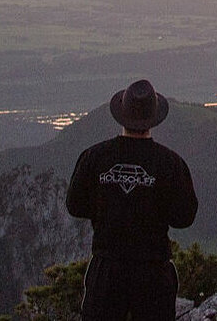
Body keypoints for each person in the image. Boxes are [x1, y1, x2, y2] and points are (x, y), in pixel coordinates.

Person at [66, 79, 198, 321]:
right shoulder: (170, 163)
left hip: (106, 269)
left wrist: (106, 206)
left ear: (122, 115)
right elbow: (185, 217)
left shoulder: (94, 157)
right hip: (153, 272)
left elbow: (74, 205)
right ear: (153, 119)